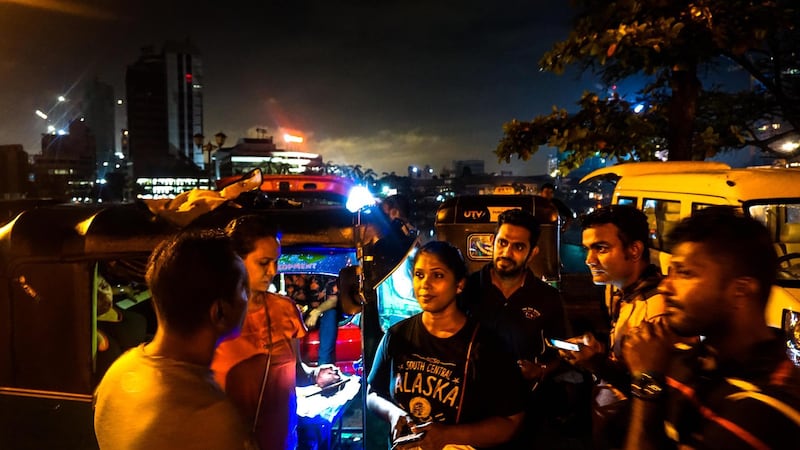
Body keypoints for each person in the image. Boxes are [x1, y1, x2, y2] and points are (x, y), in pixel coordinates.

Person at [623, 206, 800, 450]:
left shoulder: (766, 407)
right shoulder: (686, 359)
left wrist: (647, 383)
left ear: (741, 289)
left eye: (685, 273)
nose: (665, 287)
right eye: (669, 272)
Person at [94, 230, 256, 449]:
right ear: (219, 311)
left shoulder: (118, 372)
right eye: (244, 289)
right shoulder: (210, 418)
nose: (250, 297)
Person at [367, 240, 526, 449]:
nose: (425, 284)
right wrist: (393, 413)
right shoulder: (397, 336)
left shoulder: (487, 345)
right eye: (419, 275)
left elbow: (511, 422)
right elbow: (373, 393)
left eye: (438, 275)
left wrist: (448, 435)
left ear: (459, 284)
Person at [211, 215, 340, 450]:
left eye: (276, 261)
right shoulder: (212, 315)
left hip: (281, 443)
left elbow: (295, 373)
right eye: (263, 262)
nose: (272, 270)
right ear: (236, 260)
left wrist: (316, 376)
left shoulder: (285, 310)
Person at [557, 205, 667, 448]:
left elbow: (655, 388)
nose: (589, 260)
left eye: (601, 248)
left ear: (635, 249)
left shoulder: (657, 309)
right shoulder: (620, 292)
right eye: (587, 249)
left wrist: (595, 363)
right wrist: (599, 350)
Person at [460, 208, 568, 448]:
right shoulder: (467, 289)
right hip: (470, 410)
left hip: (526, 413)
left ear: (532, 253)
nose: (506, 252)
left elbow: (562, 353)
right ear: (492, 242)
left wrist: (539, 370)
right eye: (503, 243)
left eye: (518, 247)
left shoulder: (547, 298)